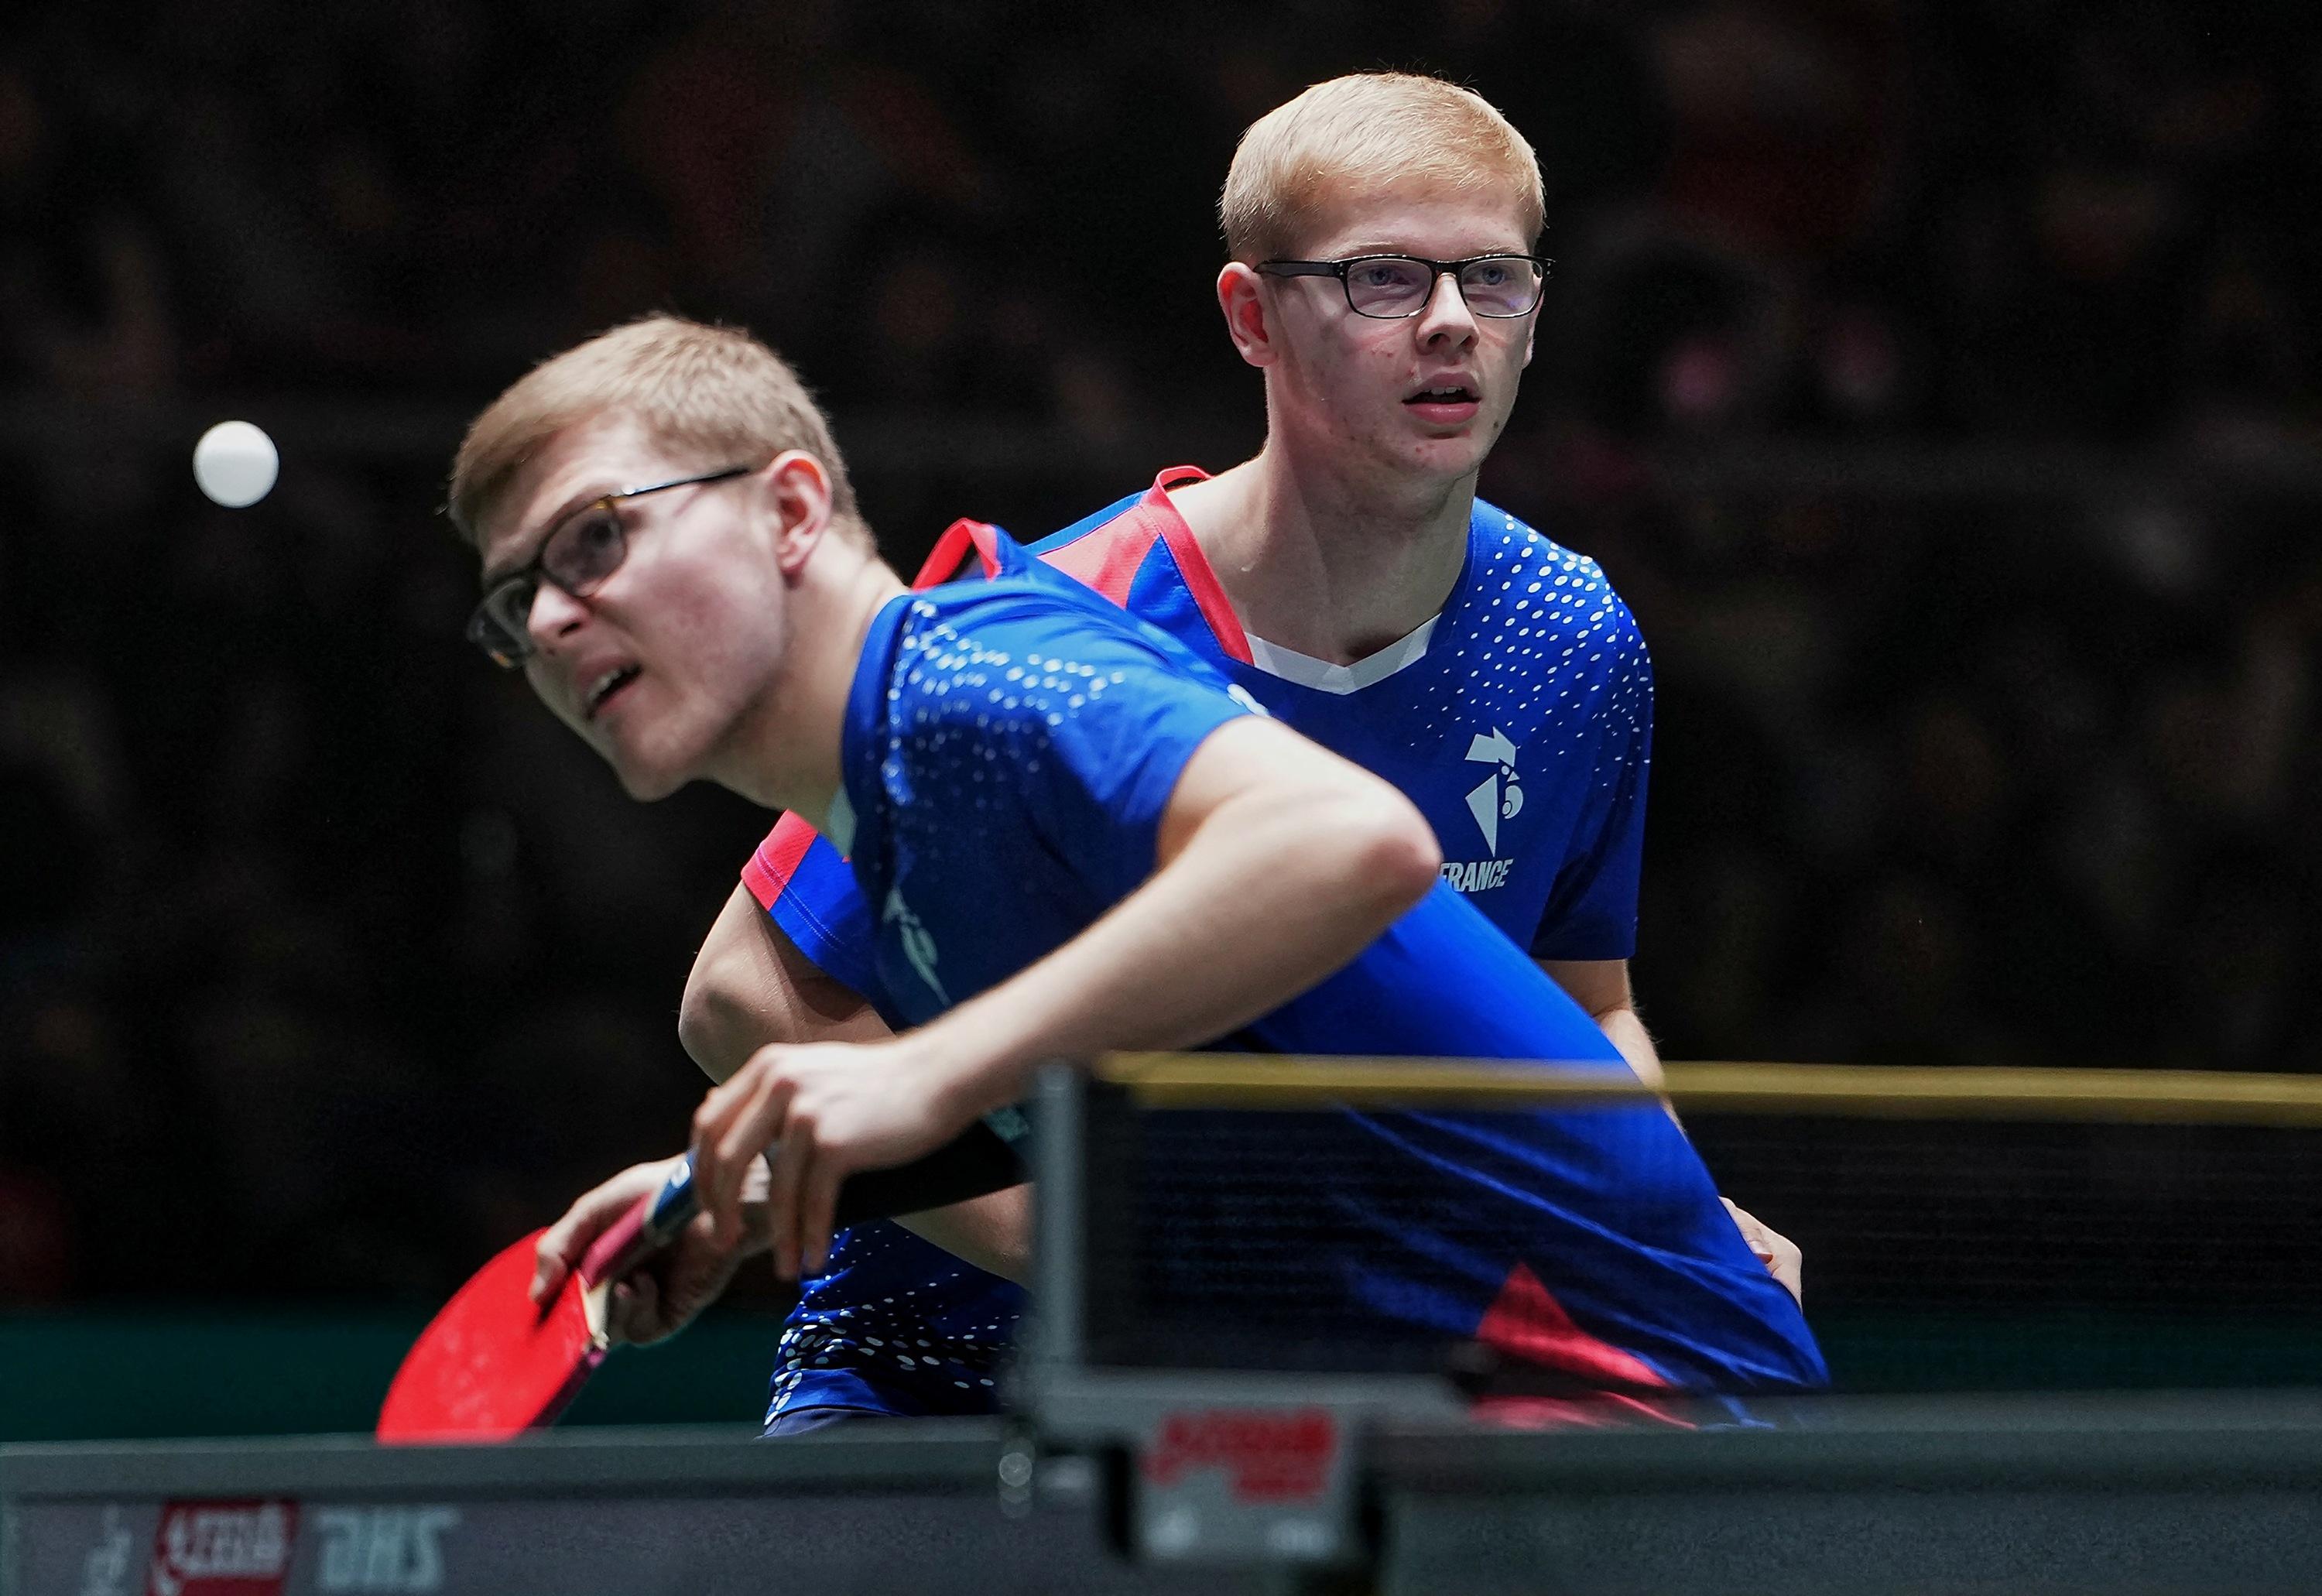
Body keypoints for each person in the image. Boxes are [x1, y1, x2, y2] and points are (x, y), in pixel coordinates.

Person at [536, 74, 1801, 1434]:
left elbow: (1583, 1000)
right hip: (940, 1375)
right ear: (1252, 317)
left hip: (1346, 1372)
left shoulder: (1572, 637)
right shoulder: (1062, 622)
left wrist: (1661, 1210)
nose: (1448, 323)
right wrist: (1083, 1248)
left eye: (1491, 277)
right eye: (1383, 279)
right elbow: (743, 990)